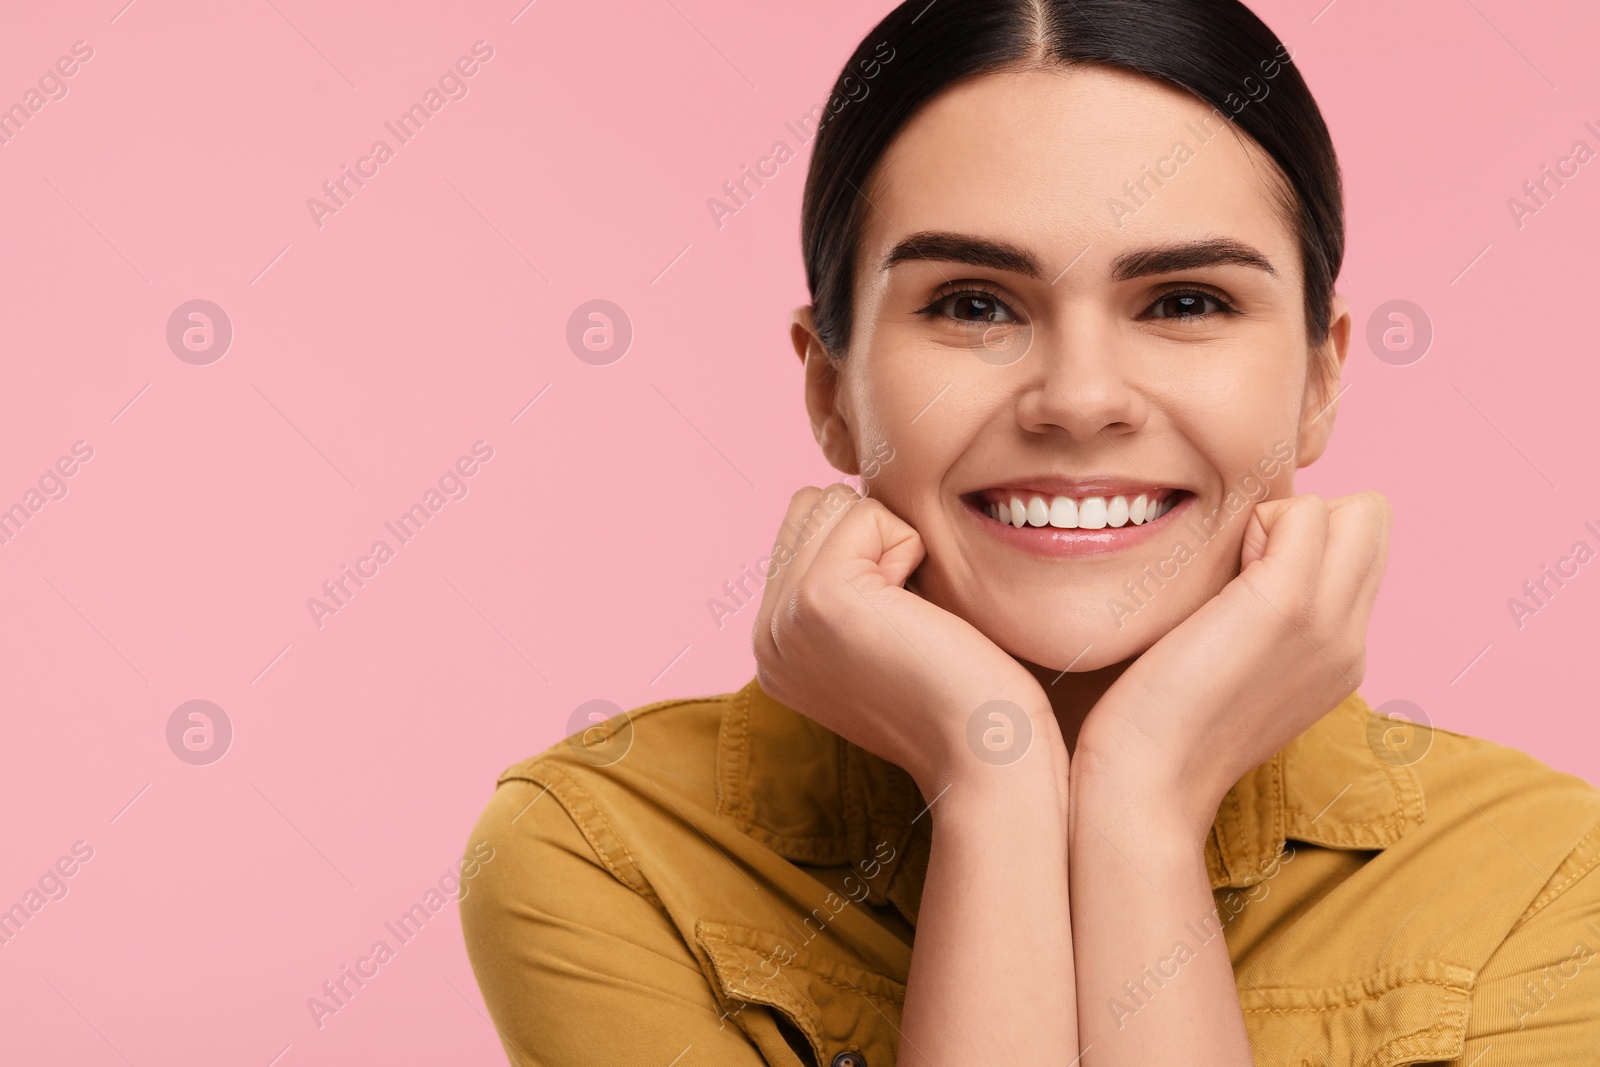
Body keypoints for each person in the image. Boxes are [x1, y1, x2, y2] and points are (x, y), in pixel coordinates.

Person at [460, 1, 1600, 1063]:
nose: (1078, 396)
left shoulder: (1545, 880)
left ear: (1318, 381)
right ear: (828, 387)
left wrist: (1141, 802)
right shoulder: (608, 851)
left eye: (1184, 301)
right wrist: (992, 779)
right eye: (971, 303)